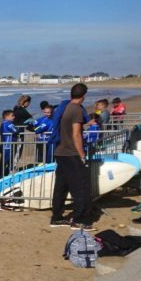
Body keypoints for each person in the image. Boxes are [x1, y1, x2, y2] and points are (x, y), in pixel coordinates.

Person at [49, 83, 93, 230]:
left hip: (60, 152)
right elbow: (76, 134)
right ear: (84, 96)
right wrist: (82, 155)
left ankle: (56, 217)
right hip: (71, 152)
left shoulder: (64, 107)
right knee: (80, 186)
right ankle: (79, 219)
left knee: (61, 186)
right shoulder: (76, 110)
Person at [0, 109, 18, 179]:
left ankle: (5, 175)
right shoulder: (7, 124)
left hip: (8, 145)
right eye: (12, 116)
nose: (14, 117)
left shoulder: (6, 124)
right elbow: (16, 131)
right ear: (7, 117)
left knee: (8, 161)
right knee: (5, 162)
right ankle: (0, 177)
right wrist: (17, 130)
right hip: (8, 146)